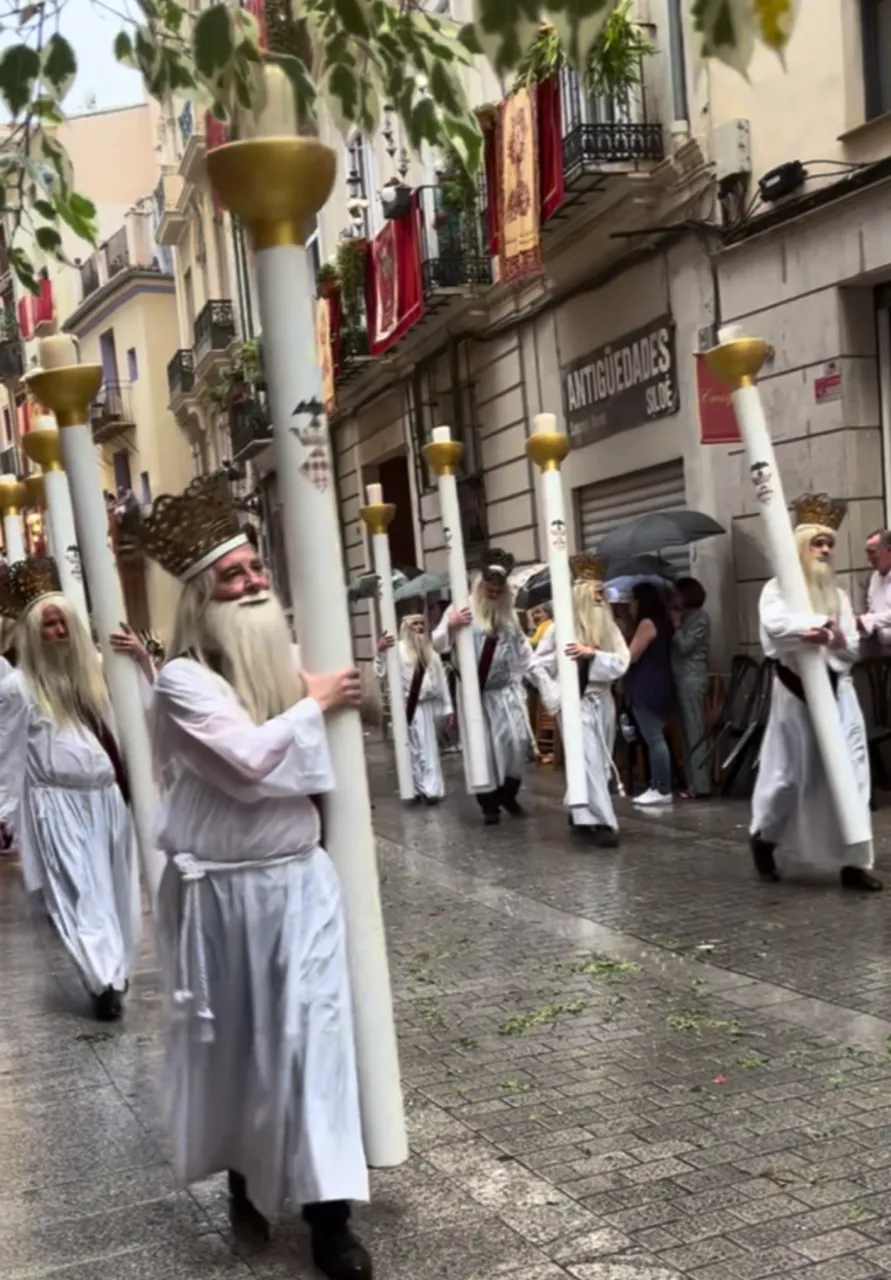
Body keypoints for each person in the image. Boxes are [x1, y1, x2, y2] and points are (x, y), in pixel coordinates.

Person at [130, 475, 372, 1278]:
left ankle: (330, 1215)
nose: (252, 584)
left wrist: (312, 697)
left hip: (299, 886)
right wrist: (312, 703)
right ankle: (244, 1183)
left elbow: (320, 764)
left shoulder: (287, 661)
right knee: (241, 1048)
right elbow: (244, 764)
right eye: (232, 577)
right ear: (201, 597)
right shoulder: (183, 679)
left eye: (256, 569)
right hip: (223, 898)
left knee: (313, 1044)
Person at [0, 556, 153, 1019]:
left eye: (63, 623)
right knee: (80, 892)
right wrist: (3, 814)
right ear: (32, 634)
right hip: (56, 806)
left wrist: (143, 664)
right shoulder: (19, 689)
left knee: (116, 891)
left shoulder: (101, 673)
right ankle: (101, 977)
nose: (58, 633)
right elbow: (6, 754)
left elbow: (151, 715)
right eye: (48, 626)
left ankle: (116, 970)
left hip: (108, 801)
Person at [750, 493, 880, 891]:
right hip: (794, 695)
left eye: (829, 544)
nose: (824, 550)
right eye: (817, 543)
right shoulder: (776, 589)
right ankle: (764, 839)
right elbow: (776, 627)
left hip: (839, 695)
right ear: (801, 548)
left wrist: (838, 639)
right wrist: (812, 627)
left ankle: (855, 863)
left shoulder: (838, 595)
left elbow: (853, 647)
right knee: (786, 777)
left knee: (853, 774)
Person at [433, 547, 540, 825]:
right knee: (484, 748)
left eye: (497, 592)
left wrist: (534, 678)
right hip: (474, 693)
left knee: (516, 742)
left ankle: (508, 792)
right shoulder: (461, 608)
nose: (493, 596)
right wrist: (452, 626)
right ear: (481, 586)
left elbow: (521, 650)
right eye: (489, 590)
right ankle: (489, 805)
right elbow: (436, 643)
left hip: (505, 690)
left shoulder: (508, 614)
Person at [534, 556, 629, 846]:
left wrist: (594, 655)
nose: (602, 599)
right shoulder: (559, 629)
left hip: (603, 701)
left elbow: (623, 661)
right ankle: (602, 821)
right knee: (586, 759)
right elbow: (536, 665)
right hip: (575, 705)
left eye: (603, 592)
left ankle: (579, 810)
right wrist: (556, 697)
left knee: (598, 762)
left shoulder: (609, 628)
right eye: (597, 593)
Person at [375, 613, 454, 804]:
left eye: (421, 624)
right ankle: (418, 788)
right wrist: (379, 651)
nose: (419, 627)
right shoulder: (397, 651)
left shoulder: (431, 652)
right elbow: (380, 672)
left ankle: (432, 789)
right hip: (406, 707)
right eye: (414, 624)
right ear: (405, 628)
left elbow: (441, 682)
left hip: (429, 706)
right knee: (412, 749)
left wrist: (448, 707)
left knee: (429, 749)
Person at [625, 581, 676, 806]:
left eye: (632, 599)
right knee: (655, 737)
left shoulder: (647, 624)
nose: (629, 603)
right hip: (660, 680)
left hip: (646, 684)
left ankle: (661, 787)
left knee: (654, 737)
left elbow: (631, 656)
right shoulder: (664, 622)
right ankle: (658, 784)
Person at [669, 576, 712, 800]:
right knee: (686, 732)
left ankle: (701, 785)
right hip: (681, 677)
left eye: (677, 593)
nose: (674, 598)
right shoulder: (687, 617)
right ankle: (692, 782)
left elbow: (685, 646)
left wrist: (676, 625)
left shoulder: (700, 619)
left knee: (695, 731)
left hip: (692, 678)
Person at [858, 528, 891, 646]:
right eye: (867, 553)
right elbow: (873, 611)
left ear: (889, 550)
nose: (869, 559)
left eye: (872, 552)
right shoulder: (874, 578)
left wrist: (866, 621)